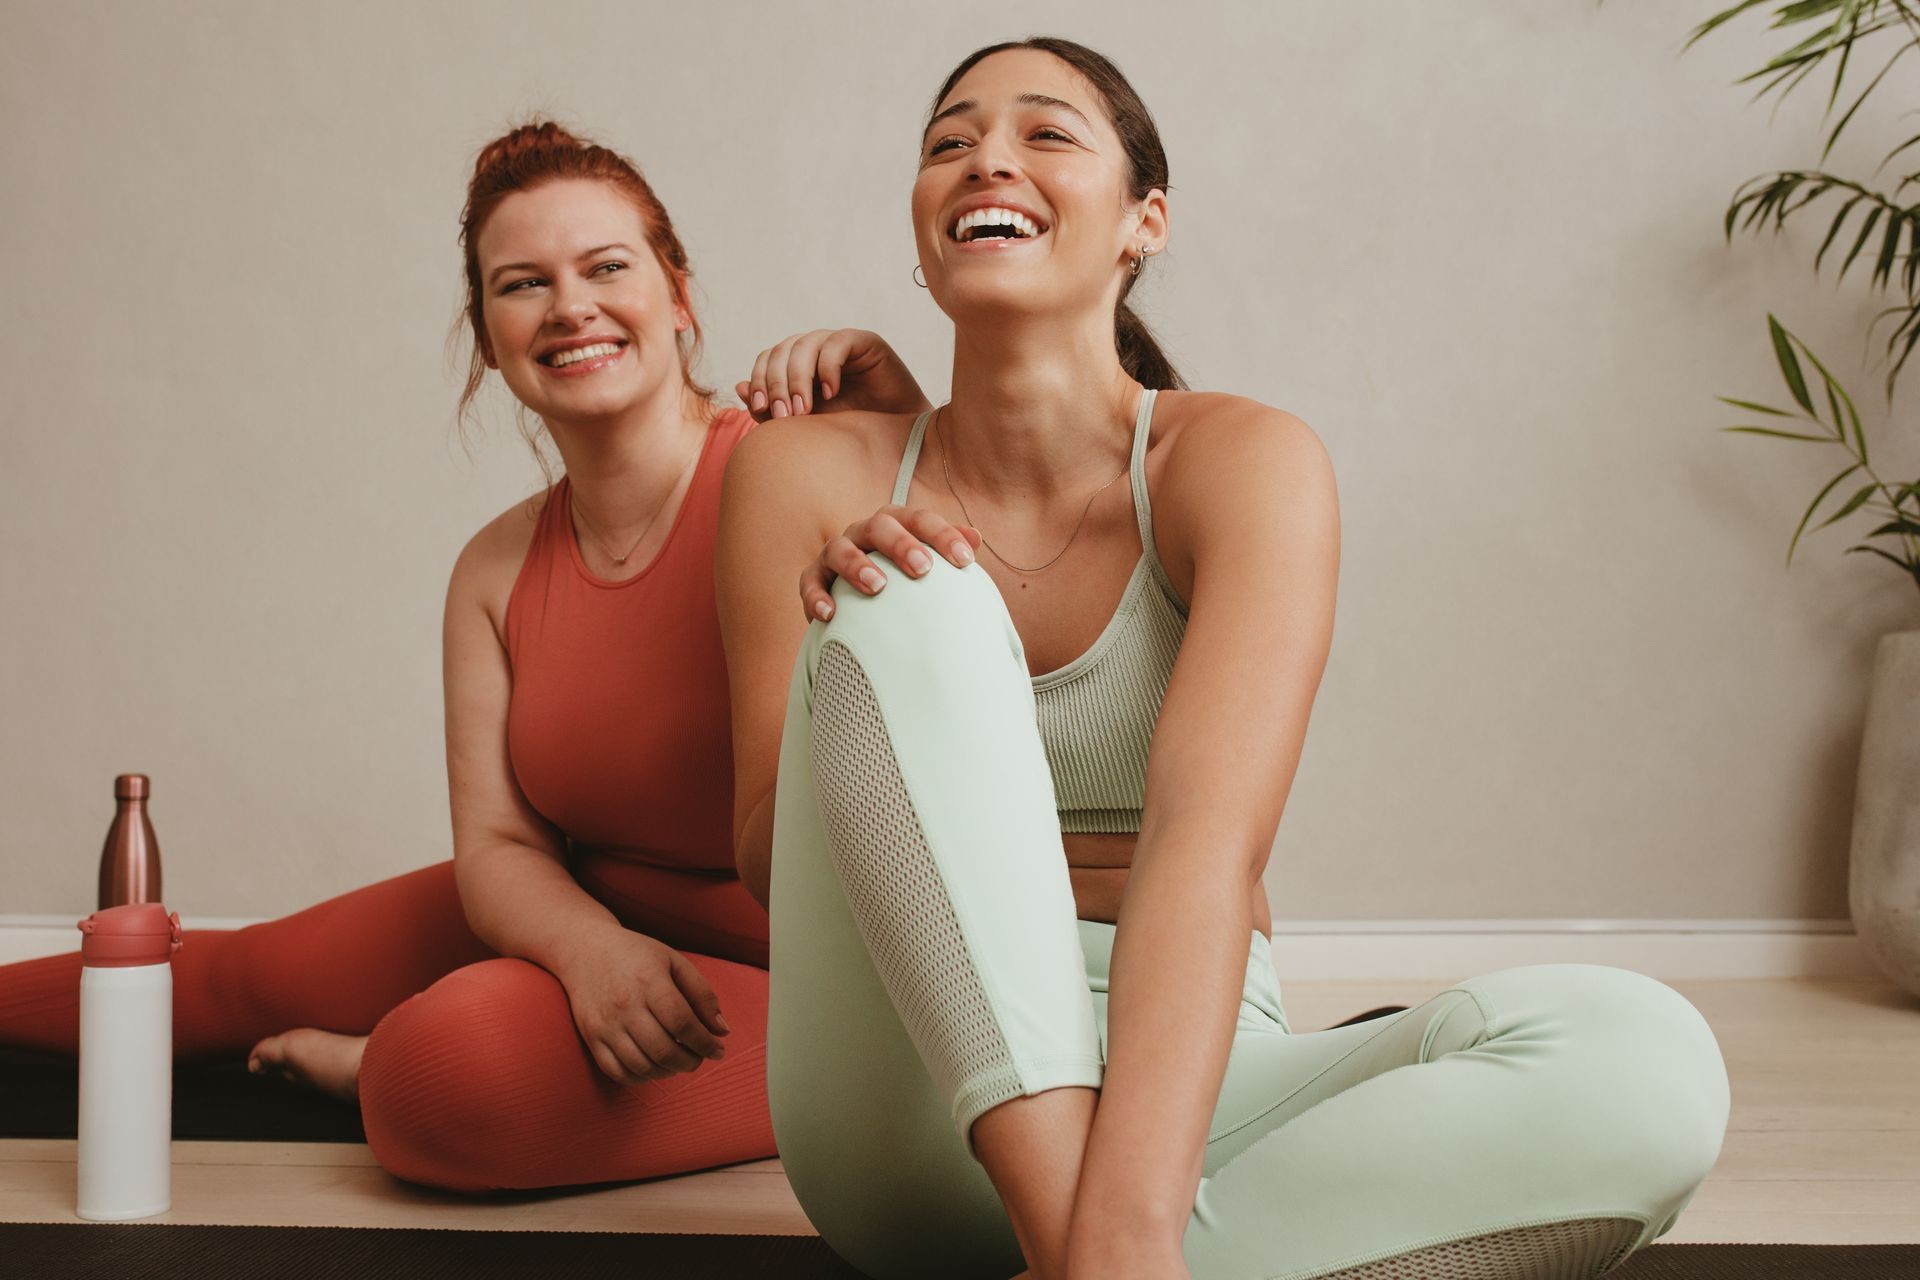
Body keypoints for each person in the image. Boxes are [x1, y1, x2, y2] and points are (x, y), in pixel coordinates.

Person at [717, 37, 1731, 1280]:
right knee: (909, 590)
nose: (988, 157)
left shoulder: (1242, 460)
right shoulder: (801, 471)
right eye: (948, 142)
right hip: (901, 1089)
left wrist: (1135, 1222)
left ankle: (1109, 1256)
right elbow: (772, 852)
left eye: (1045, 134)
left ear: (1145, 221)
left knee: (1646, 1058)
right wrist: (871, 628)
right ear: (925, 237)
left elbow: (1206, 847)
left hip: (1184, 1097)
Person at [0, 120, 929, 1193]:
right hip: (587, 905)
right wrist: (588, 950)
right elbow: (496, 843)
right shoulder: (493, 567)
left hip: (811, 976)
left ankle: (372, 1063)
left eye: (607, 267)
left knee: (446, 1075)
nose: (569, 306)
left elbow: (988, 584)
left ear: (680, 292)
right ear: (488, 336)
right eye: (522, 284)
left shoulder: (792, 468)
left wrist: (896, 423)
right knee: (231, 970)